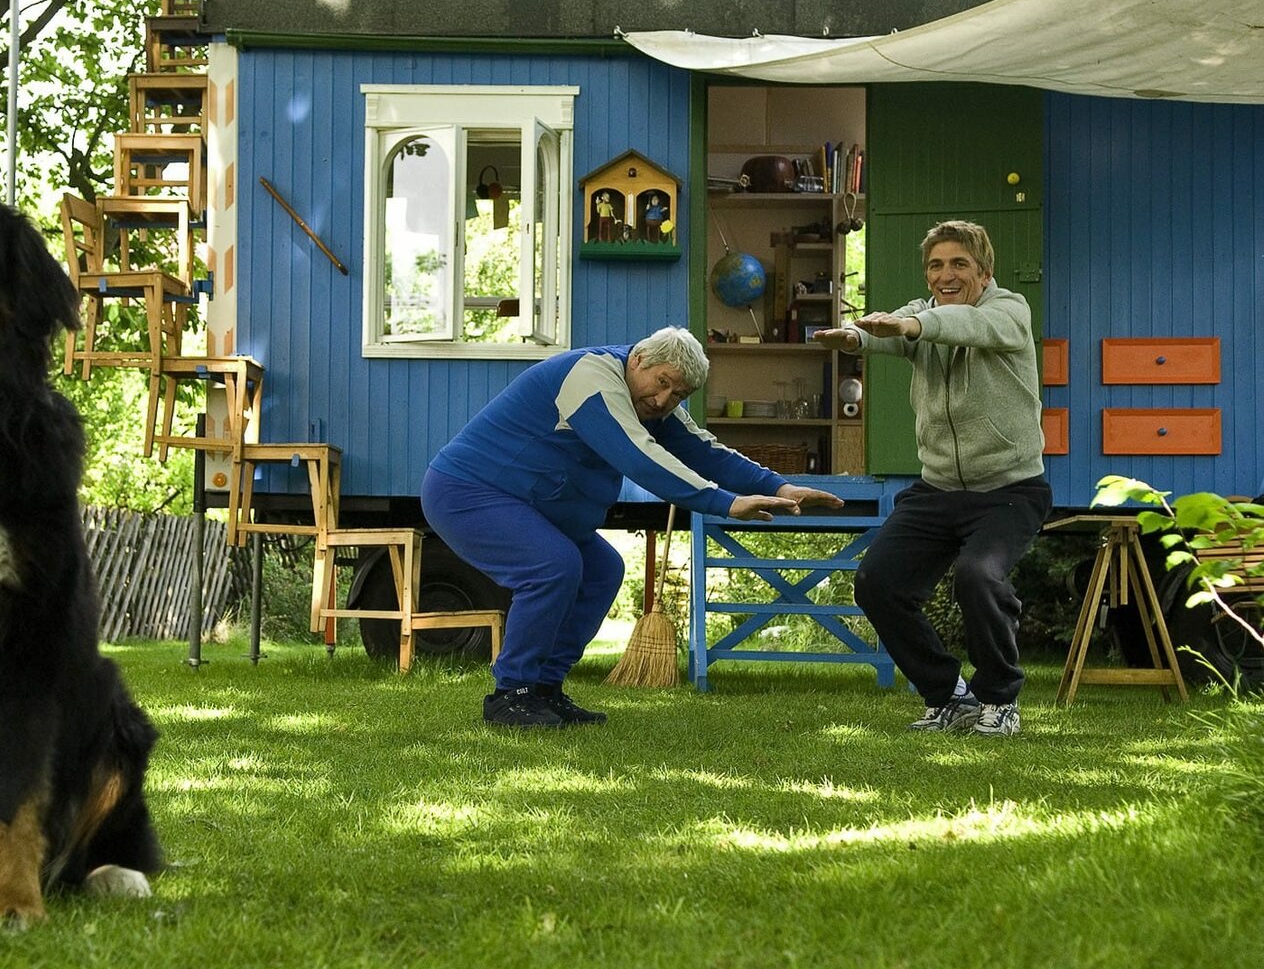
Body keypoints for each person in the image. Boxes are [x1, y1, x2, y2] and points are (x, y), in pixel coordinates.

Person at [422, 326, 844, 728]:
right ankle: (511, 694)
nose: (663, 400)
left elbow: (705, 451)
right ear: (638, 358)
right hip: (467, 490)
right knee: (553, 566)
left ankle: (545, 689)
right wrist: (726, 503)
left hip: (527, 502)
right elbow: (638, 457)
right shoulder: (590, 378)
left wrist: (780, 486)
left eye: (678, 394)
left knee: (603, 570)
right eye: (662, 383)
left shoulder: (651, 400)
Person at [813, 220, 1050, 737]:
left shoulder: (1008, 311)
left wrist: (912, 326)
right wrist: (852, 336)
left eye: (960, 264)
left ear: (984, 272)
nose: (947, 275)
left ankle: (999, 700)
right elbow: (888, 330)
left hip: (1009, 489)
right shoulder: (922, 315)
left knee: (978, 576)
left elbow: (963, 327)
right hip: (938, 488)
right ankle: (948, 696)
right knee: (878, 582)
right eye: (937, 265)